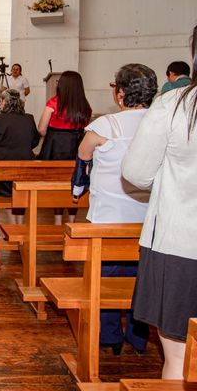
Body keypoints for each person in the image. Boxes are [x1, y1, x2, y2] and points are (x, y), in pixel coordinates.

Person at [123, 31, 197, 378]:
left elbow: (136, 172)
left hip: (180, 244)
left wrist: (165, 181)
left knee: (180, 358)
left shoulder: (174, 104)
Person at [75, 64, 158, 356]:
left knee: (106, 276)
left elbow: (84, 153)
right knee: (141, 276)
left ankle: (109, 335)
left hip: (108, 218)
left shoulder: (106, 125)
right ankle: (138, 336)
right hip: (147, 219)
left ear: (120, 93)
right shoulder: (160, 122)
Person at [38, 70, 91, 224]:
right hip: (77, 144)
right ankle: (72, 220)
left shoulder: (53, 103)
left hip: (55, 144)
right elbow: (86, 128)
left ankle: (58, 221)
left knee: (57, 182)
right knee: (74, 180)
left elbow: (41, 128)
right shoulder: (85, 106)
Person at [0, 89, 40, 224]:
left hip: (3, 167)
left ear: (5, 102)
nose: (0, 103)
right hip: (25, 166)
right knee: (21, 193)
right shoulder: (29, 118)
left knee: (5, 195)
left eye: (1, 100)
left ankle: (12, 225)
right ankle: (19, 225)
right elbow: (35, 141)